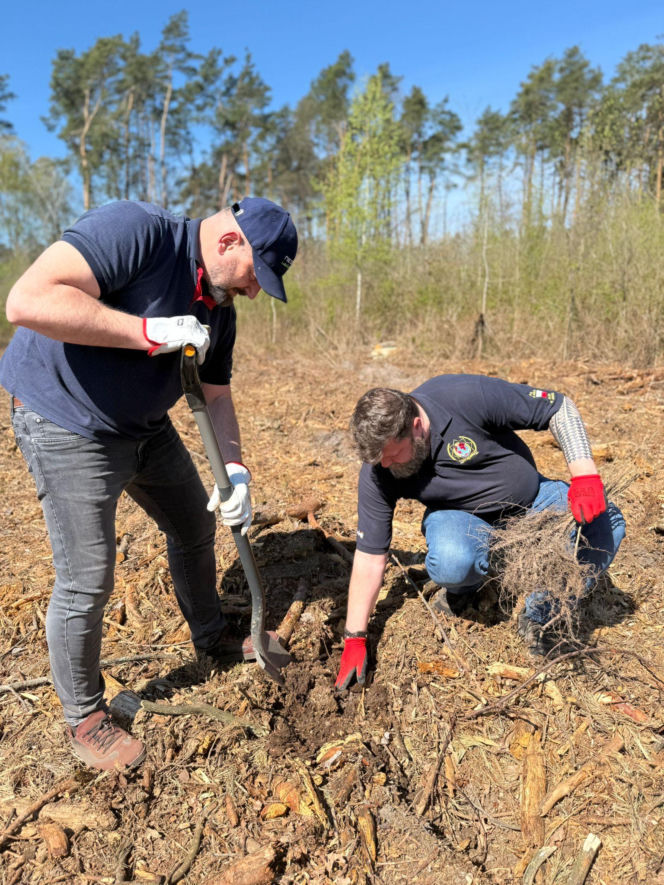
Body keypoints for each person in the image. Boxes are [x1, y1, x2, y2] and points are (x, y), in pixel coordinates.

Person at [1, 197, 298, 770]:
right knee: (88, 576)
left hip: (144, 427)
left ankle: (211, 637)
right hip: (65, 419)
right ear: (230, 242)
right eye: (256, 276)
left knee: (193, 522)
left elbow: (216, 394)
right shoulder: (135, 232)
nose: (256, 292)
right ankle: (85, 716)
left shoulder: (218, 309)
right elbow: (26, 300)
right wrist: (146, 331)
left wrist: (235, 469)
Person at [334, 375, 626, 691]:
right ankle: (467, 588)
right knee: (453, 561)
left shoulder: (464, 396)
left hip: (532, 502)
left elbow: (559, 408)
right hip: (460, 518)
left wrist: (584, 476)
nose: (387, 465)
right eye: (380, 460)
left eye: (393, 454)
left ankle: (542, 615)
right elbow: (370, 558)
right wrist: (354, 637)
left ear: (417, 427)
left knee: (606, 522)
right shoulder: (380, 467)